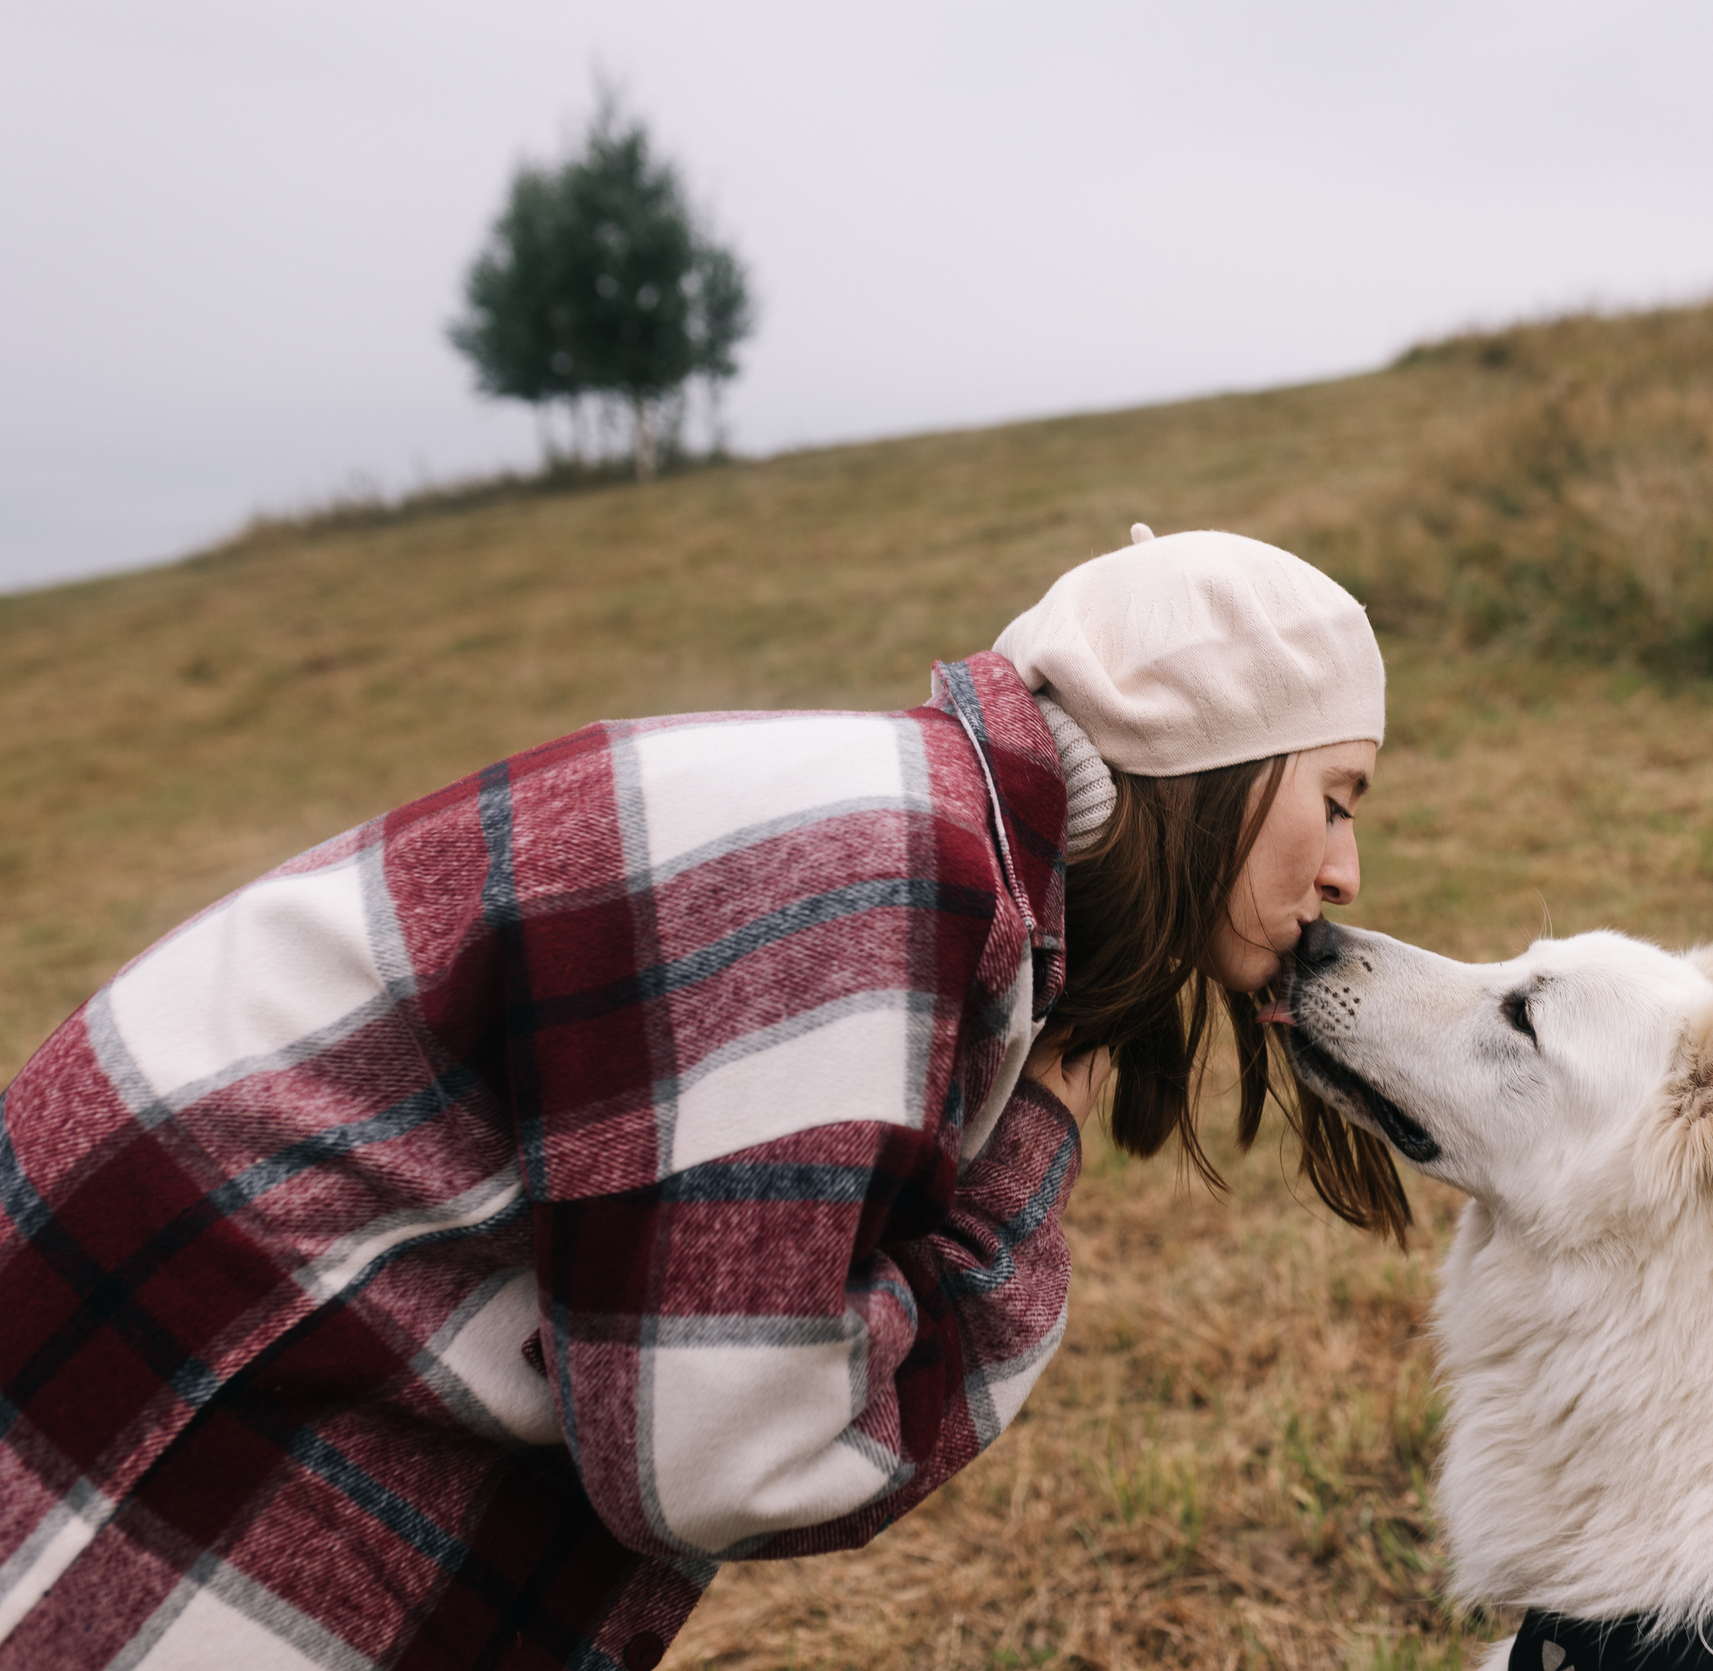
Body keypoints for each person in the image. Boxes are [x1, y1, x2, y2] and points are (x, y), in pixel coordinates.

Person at [0, 527, 1403, 1670]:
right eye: (1337, 798)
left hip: (180, 1287)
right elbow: (733, 1453)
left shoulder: (914, 824)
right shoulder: (902, 865)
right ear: (1215, 758)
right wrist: (1033, 1152)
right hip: (189, 1337)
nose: (1345, 872)